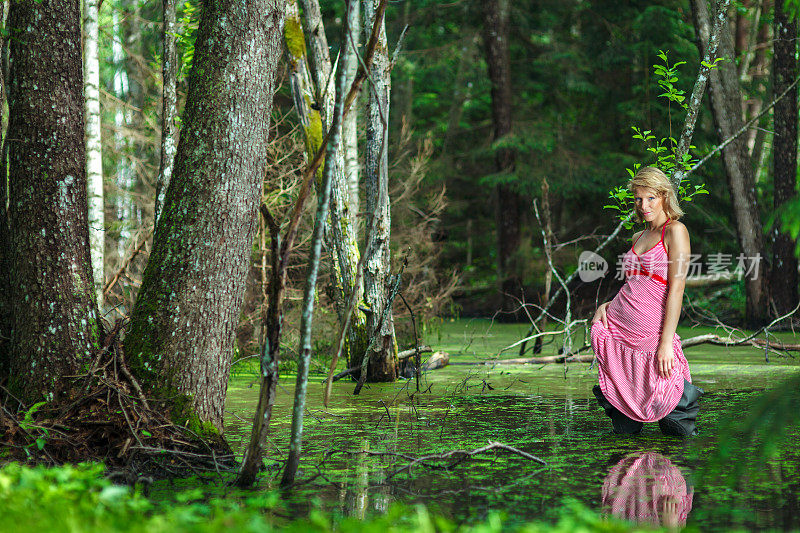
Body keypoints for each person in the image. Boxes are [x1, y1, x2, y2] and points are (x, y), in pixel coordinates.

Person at [591, 166, 702, 437]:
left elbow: (676, 289)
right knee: (624, 427)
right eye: (638, 199)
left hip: (652, 334)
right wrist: (606, 305)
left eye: (651, 198)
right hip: (619, 327)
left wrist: (666, 342)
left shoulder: (675, 231)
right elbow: (633, 284)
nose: (644, 205)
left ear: (664, 196)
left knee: (675, 415)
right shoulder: (637, 237)